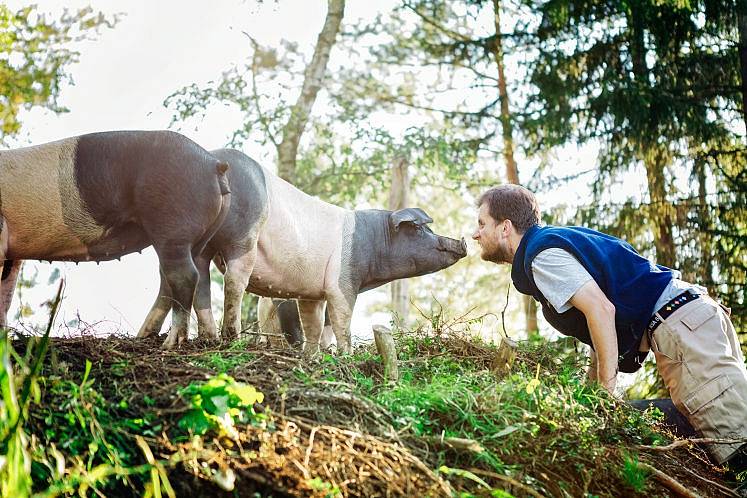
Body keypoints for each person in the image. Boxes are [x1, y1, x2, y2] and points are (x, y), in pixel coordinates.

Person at [472, 184, 747, 480]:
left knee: (735, 444)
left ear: (505, 228)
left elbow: (601, 311)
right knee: (721, 422)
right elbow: (598, 326)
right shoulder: (551, 245)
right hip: (689, 318)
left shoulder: (542, 255)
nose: (476, 234)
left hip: (681, 322)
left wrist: (606, 395)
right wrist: (592, 396)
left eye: (481, 224)